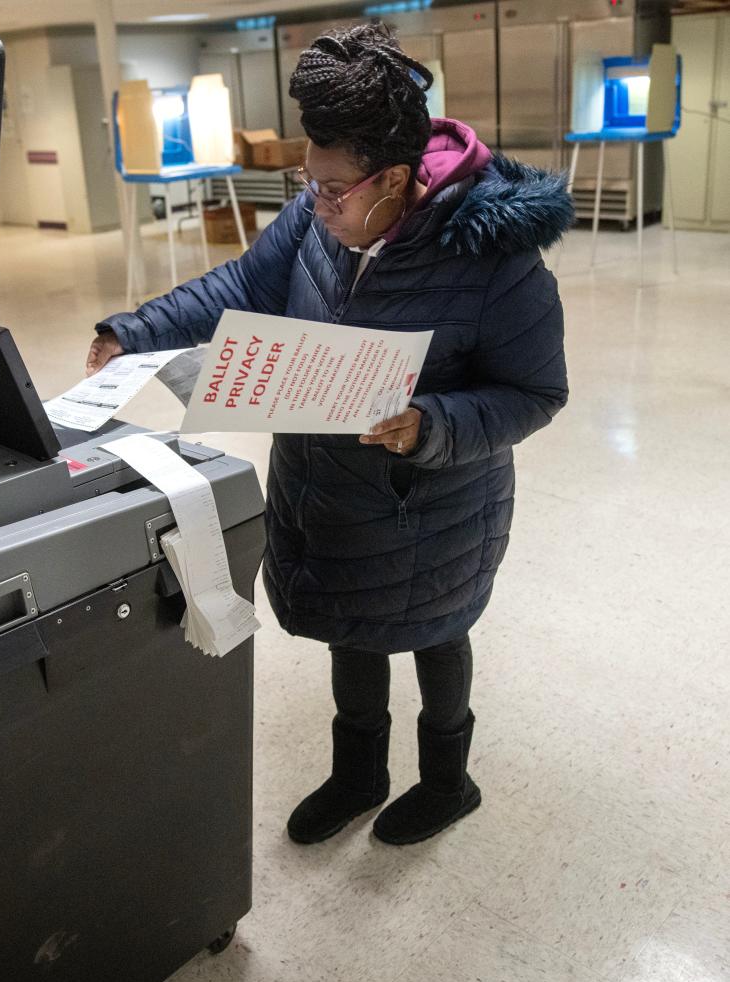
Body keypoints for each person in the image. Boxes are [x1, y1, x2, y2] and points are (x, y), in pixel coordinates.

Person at [85, 22, 570, 846]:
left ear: (396, 179)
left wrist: (433, 424)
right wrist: (138, 330)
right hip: (331, 491)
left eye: (335, 189)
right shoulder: (320, 221)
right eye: (311, 185)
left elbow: (535, 393)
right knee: (353, 626)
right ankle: (359, 774)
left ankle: (449, 782)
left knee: (435, 632)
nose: (318, 202)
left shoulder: (497, 260)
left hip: (433, 506)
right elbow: (243, 282)